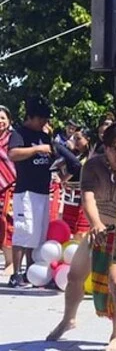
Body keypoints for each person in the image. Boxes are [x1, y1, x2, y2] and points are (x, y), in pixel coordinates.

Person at [47, 123, 116, 351]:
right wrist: (95, 224)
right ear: (105, 148)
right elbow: (87, 198)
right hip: (100, 228)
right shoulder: (93, 166)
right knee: (75, 275)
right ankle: (69, 319)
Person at [7, 96, 54, 288]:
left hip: (43, 190)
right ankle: (16, 273)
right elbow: (13, 154)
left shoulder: (45, 135)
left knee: (38, 234)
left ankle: (31, 271)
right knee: (24, 231)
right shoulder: (19, 133)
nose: (43, 123)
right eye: (40, 118)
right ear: (30, 117)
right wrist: (36, 150)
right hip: (26, 191)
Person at [51, 128, 94, 240]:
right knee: (69, 230)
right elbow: (61, 167)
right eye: (74, 138)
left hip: (83, 197)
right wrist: (60, 177)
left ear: (87, 140)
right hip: (70, 198)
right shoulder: (73, 155)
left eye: (79, 138)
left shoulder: (92, 156)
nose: (76, 141)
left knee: (81, 232)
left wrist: (63, 179)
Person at [0, 105, 15, 275]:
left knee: (7, 224)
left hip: (10, 188)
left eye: (3, 118)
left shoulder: (13, 139)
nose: (0, 121)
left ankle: (10, 262)